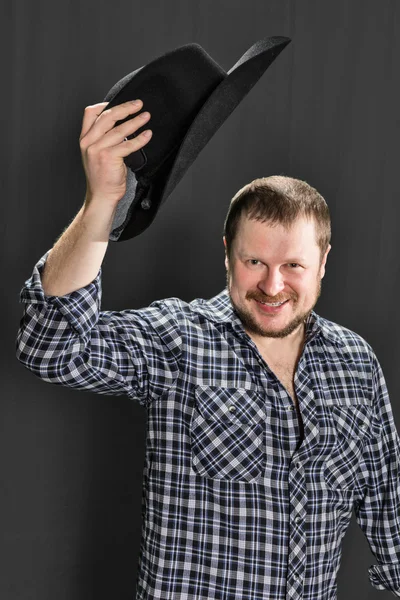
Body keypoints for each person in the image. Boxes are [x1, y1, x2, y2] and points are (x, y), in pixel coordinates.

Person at [16, 99, 400, 599]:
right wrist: (100, 206)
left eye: (294, 266)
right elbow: (52, 348)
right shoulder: (179, 338)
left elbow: (391, 514)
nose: (272, 285)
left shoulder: (355, 364)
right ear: (227, 253)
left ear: (323, 261)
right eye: (254, 261)